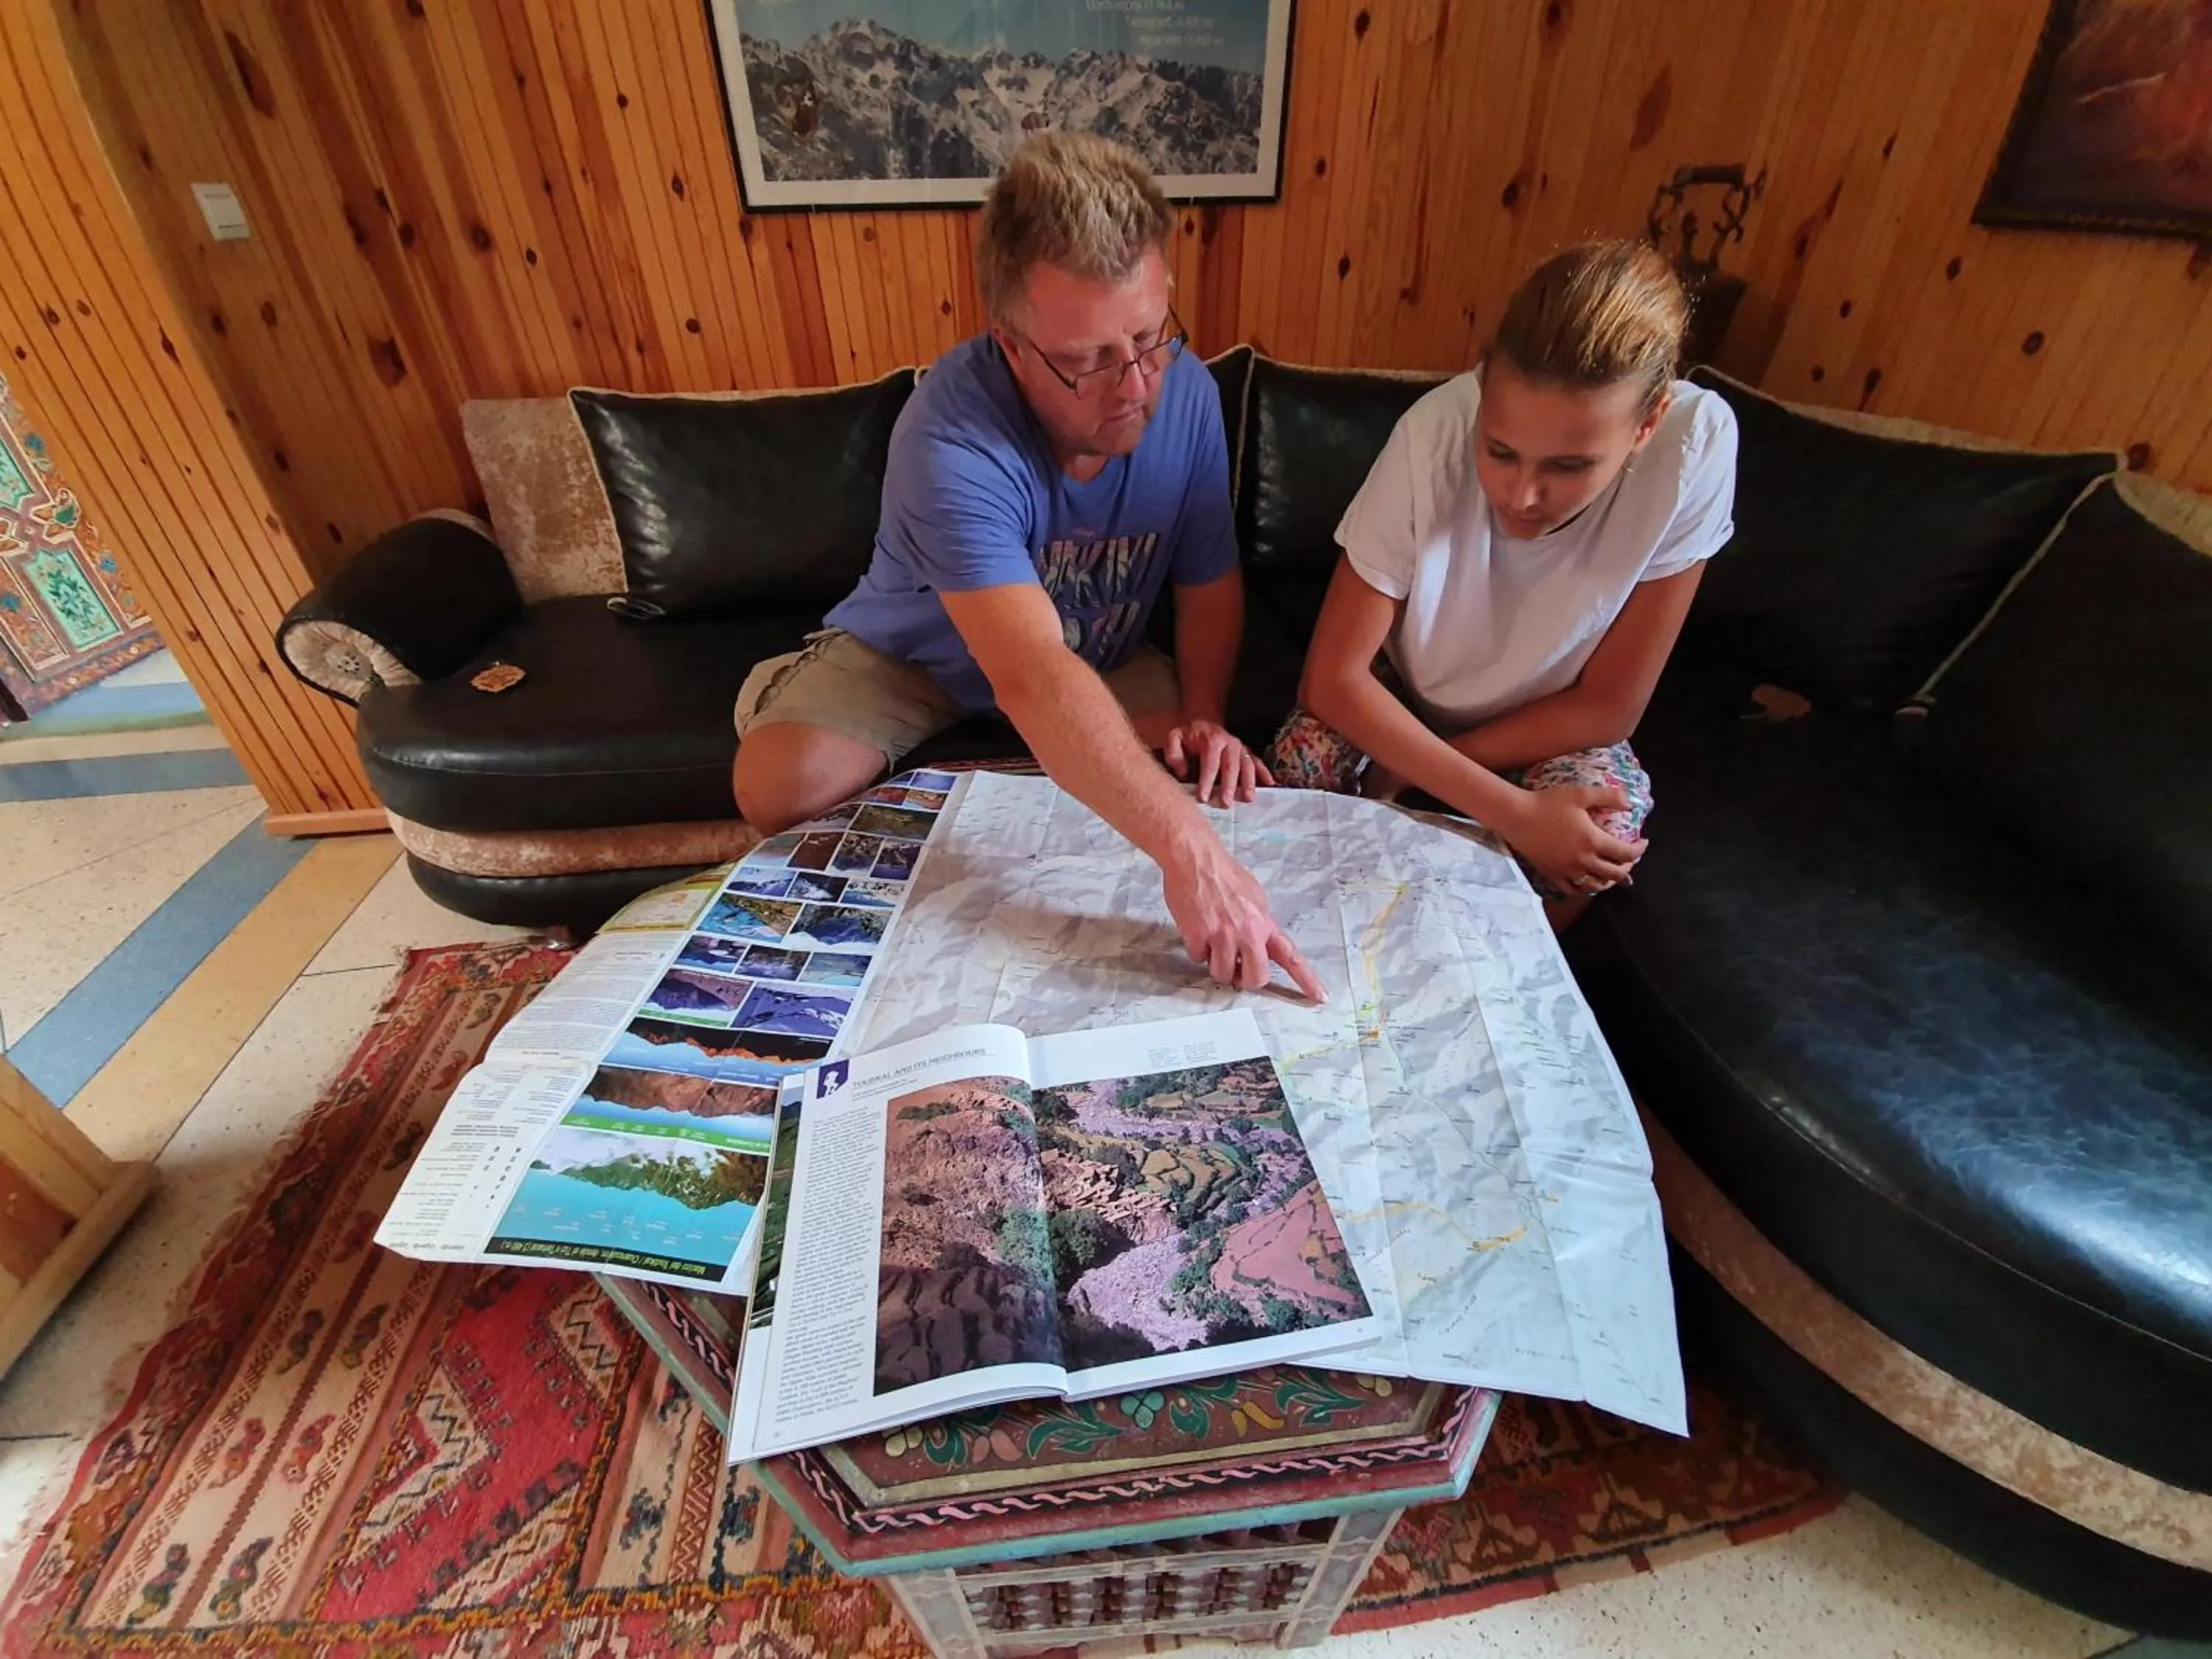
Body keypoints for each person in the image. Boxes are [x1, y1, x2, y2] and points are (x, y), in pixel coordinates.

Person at [733, 133, 1322, 1001]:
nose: (1135, 385)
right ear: (1011, 345)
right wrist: (1192, 858)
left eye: (1151, 337)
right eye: (1087, 360)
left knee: (1182, 783)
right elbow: (1032, 672)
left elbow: (1208, 580)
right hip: (925, 653)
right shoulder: (947, 437)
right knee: (778, 788)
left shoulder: (1187, 392)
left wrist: (1203, 713)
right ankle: (792, 676)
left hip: (1103, 648)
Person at [1267, 239, 1738, 926]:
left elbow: (1610, 707)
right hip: (1405, 693)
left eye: (1571, 466)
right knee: (1302, 765)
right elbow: (1333, 681)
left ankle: (1509, 1012)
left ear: (1649, 423)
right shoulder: (1432, 432)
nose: (1522, 494)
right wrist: (1509, 810)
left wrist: (1428, 772)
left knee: (1602, 832)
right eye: (1500, 452)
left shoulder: (1698, 445)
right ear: (1483, 388)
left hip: (1550, 720)